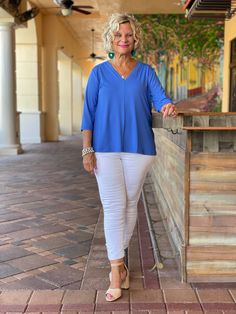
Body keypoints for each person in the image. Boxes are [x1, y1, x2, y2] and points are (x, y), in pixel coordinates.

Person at [81, 13, 177, 302]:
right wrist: (87, 149)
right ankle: (115, 271)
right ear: (111, 38)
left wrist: (168, 106)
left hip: (139, 149)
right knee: (113, 207)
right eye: (119, 35)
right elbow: (89, 113)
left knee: (129, 206)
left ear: (135, 39)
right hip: (105, 149)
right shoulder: (99, 73)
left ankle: (120, 264)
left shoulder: (146, 71)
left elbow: (160, 98)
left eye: (129, 35)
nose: (124, 39)